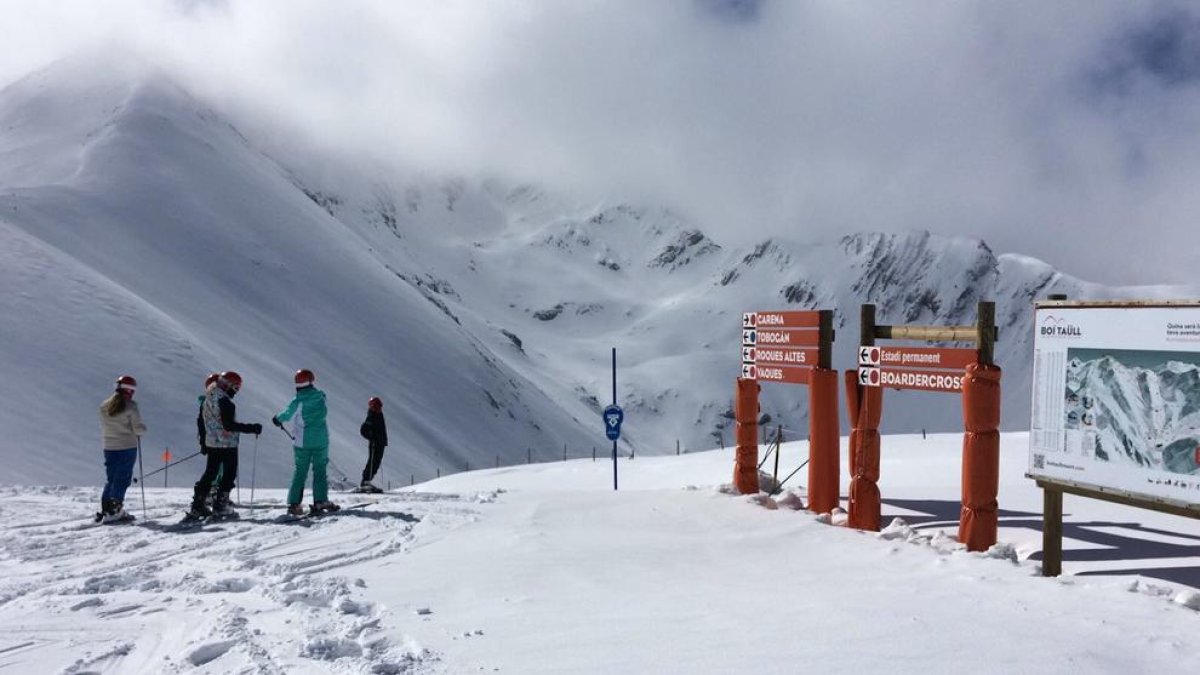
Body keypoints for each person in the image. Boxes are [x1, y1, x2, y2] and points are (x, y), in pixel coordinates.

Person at [189, 371, 262, 519]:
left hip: (212, 443)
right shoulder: (225, 402)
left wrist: (203, 442)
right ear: (228, 385)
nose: (235, 392)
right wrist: (251, 428)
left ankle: (198, 505)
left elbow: (201, 422)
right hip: (227, 444)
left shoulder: (209, 398)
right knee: (228, 474)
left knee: (210, 473)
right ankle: (221, 505)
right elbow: (229, 425)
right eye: (235, 389)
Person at [273, 369, 338, 516]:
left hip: (302, 442)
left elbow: (286, 415)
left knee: (300, 472)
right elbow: (322, 397)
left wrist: (277, 419)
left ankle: (294, 504)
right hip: (321, 440)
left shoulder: (297, 401)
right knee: (320, 471)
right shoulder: (321, 397)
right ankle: (320, 501)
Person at [97, 375, 146, 523]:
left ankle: (106, 508)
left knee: (111, 478)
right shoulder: (131, 406)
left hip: (109, 447)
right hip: (126, 446)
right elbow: (138, 428)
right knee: (122, 478)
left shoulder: (105, 405)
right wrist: (142, 429)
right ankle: (115, 509)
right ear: (130, 390)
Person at [196, 372, 222, 506]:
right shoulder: (208, 402)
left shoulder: (213, 401)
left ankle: (214, 492)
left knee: (218, 467)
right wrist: (203, 441)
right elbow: (202, 423)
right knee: (216, 468)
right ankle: (210, 493)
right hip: (215, 441)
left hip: (216, 440)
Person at [359, 397, 388, 492]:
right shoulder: (372, 416)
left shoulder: (378, 415)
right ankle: (365, 481)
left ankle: (367, 480)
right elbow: (363, 430)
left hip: (380, 443)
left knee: (376, 462)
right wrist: (371, 437)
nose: (378, 408)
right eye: (376, 406)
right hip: (375, 443)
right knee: (373, 461)